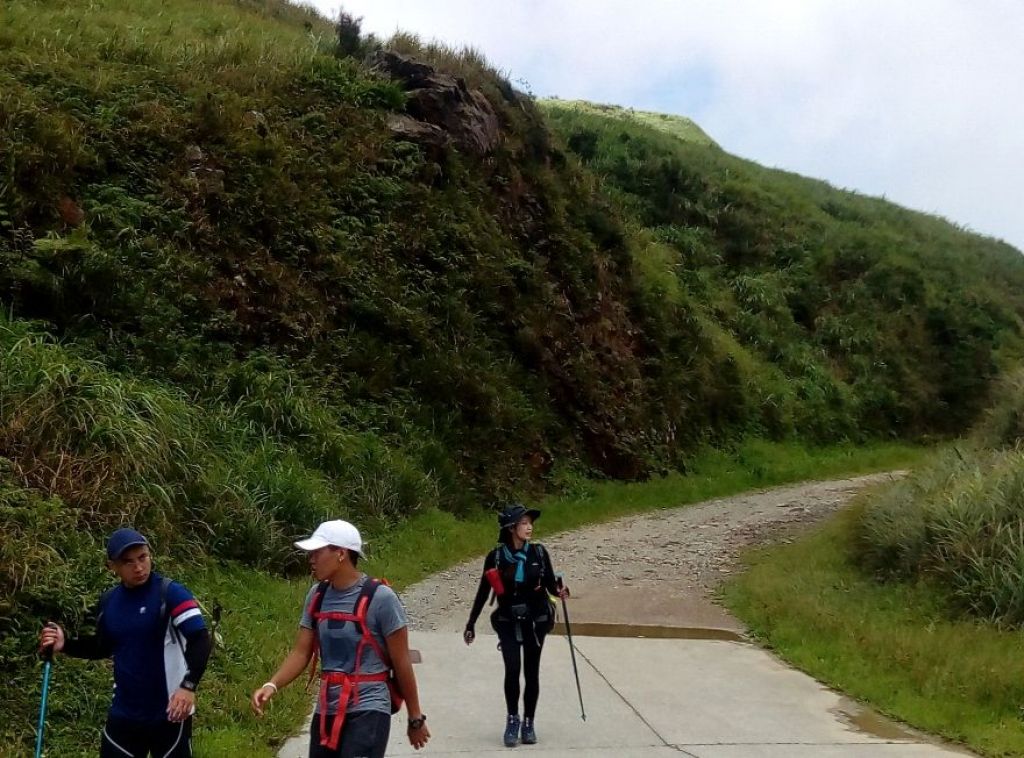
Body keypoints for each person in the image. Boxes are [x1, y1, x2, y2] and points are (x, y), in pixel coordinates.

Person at [251, 519, 430, 757]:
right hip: (327, 708)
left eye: (318, 552)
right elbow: (301, 652)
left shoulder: (382, 598)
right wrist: (271, 685)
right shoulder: (317, 596)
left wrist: (415, 718)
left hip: (369, 707)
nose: (311, 559)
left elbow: (401, 662)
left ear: (341, 554)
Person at [38, 527, 211, 757]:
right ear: (112, 566)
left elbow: (200, 638)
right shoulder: (109, 602)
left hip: (170, 713)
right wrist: (65, 644)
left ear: (150, 555)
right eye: (128, 562)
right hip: (125, 714)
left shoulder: (170, 593)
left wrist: (188, 686)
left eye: (143, 557)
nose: (139, 567)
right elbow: (103, 646)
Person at [464, 503, 568, 747]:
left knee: (531, 673)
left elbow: (552, 585)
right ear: (512, 528)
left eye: (530, 522)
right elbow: (483, 592)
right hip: (508, 621)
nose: (529, 527)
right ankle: (513, 720)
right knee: (512, 670)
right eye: (523, 523)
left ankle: (528, 723)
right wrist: (471, 623)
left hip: (536, 622)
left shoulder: (539, 553)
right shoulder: (496, 557)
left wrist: (560, 591)